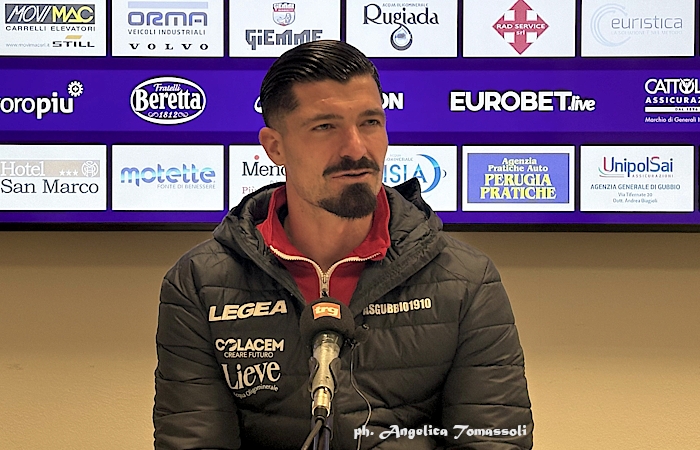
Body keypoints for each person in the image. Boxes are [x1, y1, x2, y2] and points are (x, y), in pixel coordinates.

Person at [153, 40, 533, 449]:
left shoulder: (466, 280)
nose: (357, 148)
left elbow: (492, 440)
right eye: (325, 127)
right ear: (275, 147)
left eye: (370, 122)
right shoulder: (200, 283)